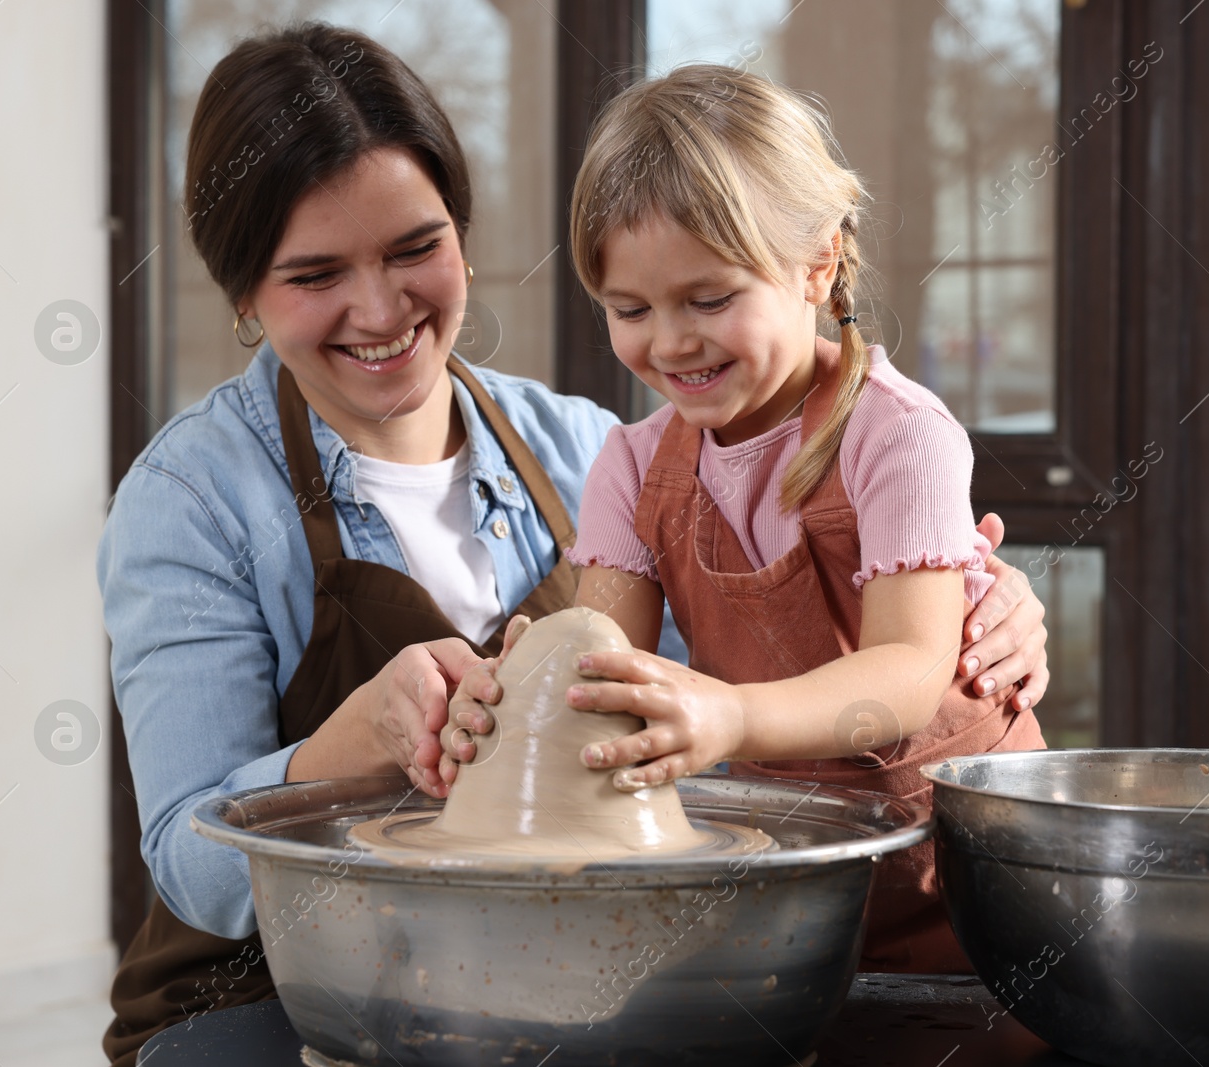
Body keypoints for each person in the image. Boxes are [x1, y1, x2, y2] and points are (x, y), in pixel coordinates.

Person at [97, 25, 1050, 1063]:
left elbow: (717, 699)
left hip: (574, 958)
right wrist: (358, 736)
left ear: (462, 235)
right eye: (315, 273)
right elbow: (192, 869)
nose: (380, 307)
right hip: (296, 987)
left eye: (415, 248)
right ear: (242, 293)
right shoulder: (194, 500)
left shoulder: (582, 445)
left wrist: (968, 624)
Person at [442, 65, 1046, 975]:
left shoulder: (900, 434)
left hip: (974, 880)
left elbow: (908, 675)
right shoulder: (634, 465)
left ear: (820, 264)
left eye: (710, 299)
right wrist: (513, 697)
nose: (672, 341)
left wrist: (727, 715)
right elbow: (602, 670)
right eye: (630, 309)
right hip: (797, 884)